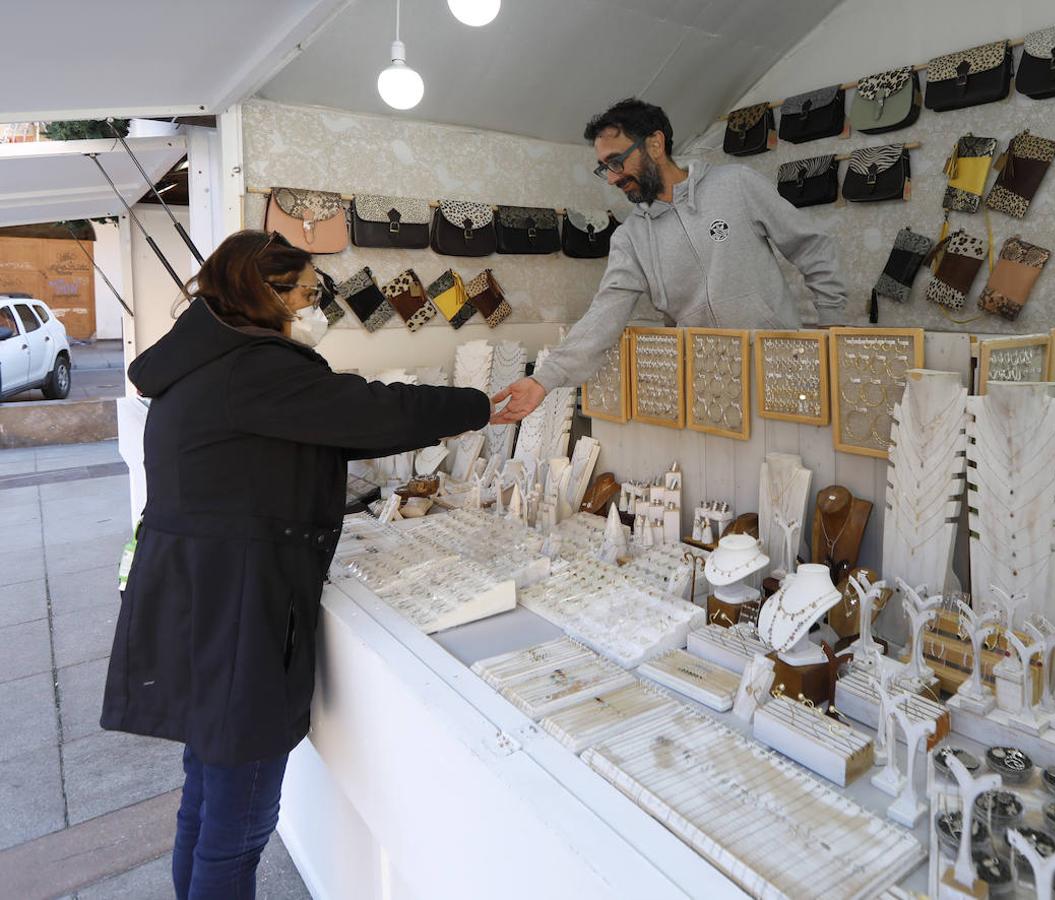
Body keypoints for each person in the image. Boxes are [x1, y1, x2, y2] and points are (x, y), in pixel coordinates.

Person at [100, 230, 490, 899]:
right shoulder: (252, 368)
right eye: (312, 294)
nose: (317, 307)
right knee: (240, 826)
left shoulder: (201, 361)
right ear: (268, 292)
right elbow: (368, 411)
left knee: (205, 799)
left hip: (201, 601)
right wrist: (479, 404)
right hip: (237, 617)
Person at [491, 97, 848, 423]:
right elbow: (604, 315)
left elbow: (810, 245)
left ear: (655, 144)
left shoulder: (737, 185)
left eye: (616, 161)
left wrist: (833, 329)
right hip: (710, 387)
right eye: (604, 168)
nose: (613, 177)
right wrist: (544, 380)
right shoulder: (631, 238)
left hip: (782, 368)